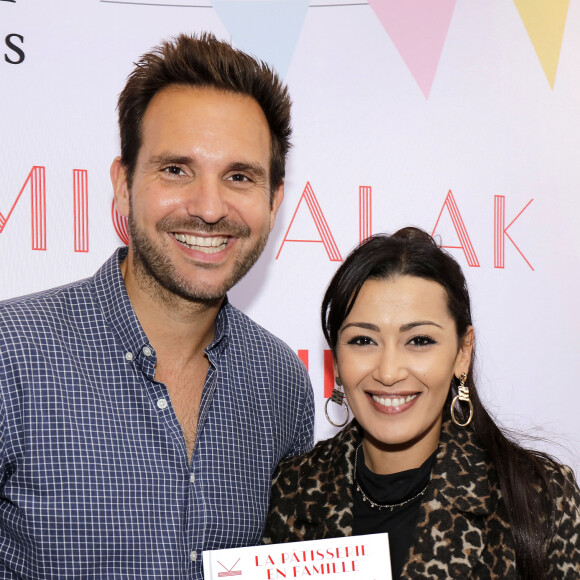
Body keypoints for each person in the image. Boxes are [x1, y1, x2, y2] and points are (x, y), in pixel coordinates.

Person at [0, 33, 314, 578]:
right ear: (123, 186)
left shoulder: (281, 383)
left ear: (274, 200)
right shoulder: (10, 354)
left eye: (239, 177)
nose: (209, 208)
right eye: (176, 170)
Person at [264, 227, 580, 579]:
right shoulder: (290, 490)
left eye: (419, 340)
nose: (388, 372)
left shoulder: (539, 496)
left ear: (462, 352)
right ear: (336, 361)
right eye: (363, 340)